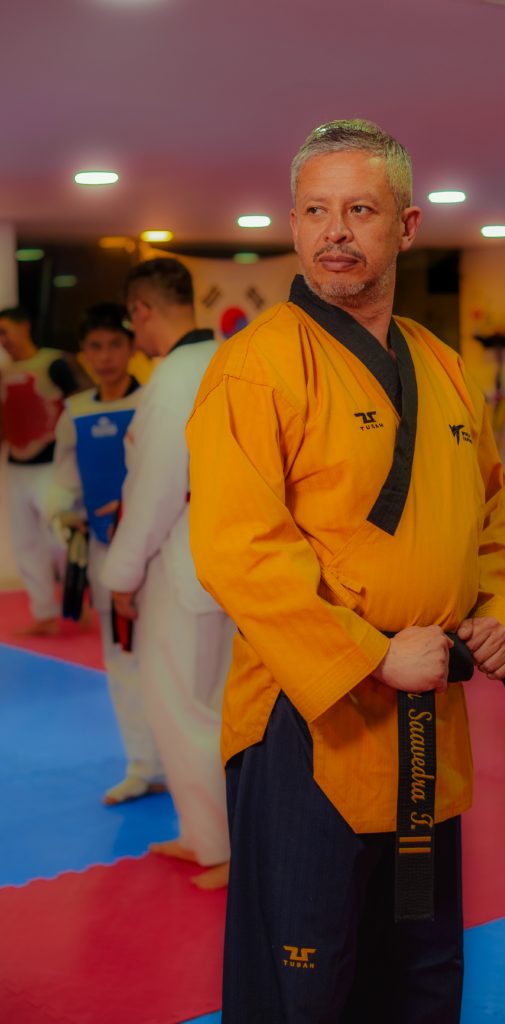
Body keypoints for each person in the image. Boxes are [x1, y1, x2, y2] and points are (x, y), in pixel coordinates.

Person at [187, 119, 505, 1023]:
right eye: (315, 211)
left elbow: (494, 511)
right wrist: (372, 655)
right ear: (292, 224)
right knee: (306, 977)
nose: (334, 232)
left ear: (406, 225)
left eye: (360, 210)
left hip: (428, 717)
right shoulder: (256, 365)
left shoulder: (442, 365)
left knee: (417, 968)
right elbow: (237, 548)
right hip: (309, 718)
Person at [100, 259, 234, 890]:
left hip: (183, 562)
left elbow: (155, 491)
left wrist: (120, 576)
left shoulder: (173, 376)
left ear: (142, 310)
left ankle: (219, 845)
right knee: (219, 703)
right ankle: (211, 836)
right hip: (237, 559)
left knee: (179, 706)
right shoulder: (230, 357)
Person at [47, 303, 166, 805]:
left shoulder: (156, 400)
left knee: (175, 662)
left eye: (115, 344)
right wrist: (65, 513)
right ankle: (144, 766)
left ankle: (189, 766)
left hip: (161, 553)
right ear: (83, 353)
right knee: (121, 662)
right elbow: (63, 484)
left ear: (132, 346)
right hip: (103, 551)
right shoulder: (74, 412)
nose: (106, 356)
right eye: (95, 347)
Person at [0, 306, 78, 634]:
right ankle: (45, 613)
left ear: (24, 327)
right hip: (16, 467)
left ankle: (77, 607)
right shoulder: (3, 374)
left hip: (52, 466)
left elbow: (79, 405)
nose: (2, 340)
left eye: (4, 331)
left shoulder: (54, 363)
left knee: (63, 539)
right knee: (26, 543)